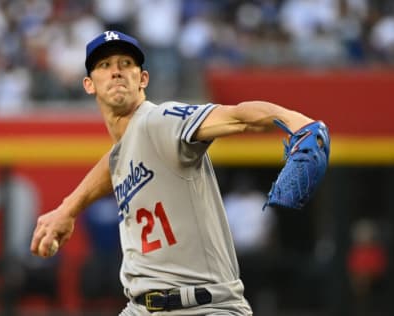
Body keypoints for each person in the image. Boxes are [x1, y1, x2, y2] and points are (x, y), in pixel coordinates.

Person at [30, 30, 316, 315]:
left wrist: (295, 120)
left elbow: (236, 116)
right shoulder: (126, 150)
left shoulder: (160, 120)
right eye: (105, 65)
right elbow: (113, 162)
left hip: (204, 306)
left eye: (125, 63)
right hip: (141, 308)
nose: (116, 72)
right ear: (89, 84)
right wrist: (67, 209)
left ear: (143, 79)